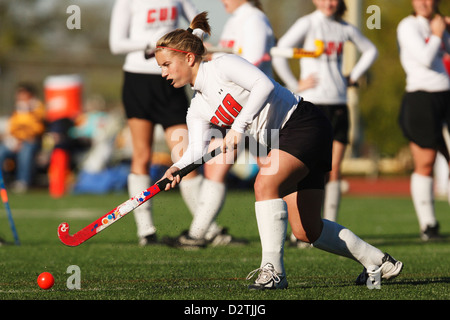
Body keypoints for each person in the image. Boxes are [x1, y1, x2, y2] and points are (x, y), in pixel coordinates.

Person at [155, 12, 403, 290]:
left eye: (166, 64)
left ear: (189, 58)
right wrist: (177, 168)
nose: (163, 72)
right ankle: (379, 262)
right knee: (307, 230)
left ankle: (273, 272)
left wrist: (238, 127)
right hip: (289, 138)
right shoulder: (197, 107)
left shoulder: (222, 65)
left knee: (265, 182)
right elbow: (196, 150)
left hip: (303, 123)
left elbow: (264, 85)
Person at [165, 0, 275, 248]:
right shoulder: (235, 21)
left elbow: (253, 63)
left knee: (274, 177)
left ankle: (302, 232)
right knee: (217, 168)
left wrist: (215, 60)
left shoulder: (254, 19)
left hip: (260, 110)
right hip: (228, 106)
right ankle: (198, 233)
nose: (222, 1)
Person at [272, 0, 378, 227]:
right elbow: (278, 52)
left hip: (339, 103)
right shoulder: (307, 23)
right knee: (306, 168)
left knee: (335, 169)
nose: (328, 2)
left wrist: (353, 75)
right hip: (313, 105)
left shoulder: (344, 28)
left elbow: (371, 50)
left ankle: (328, 226)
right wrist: (294, 84)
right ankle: (301, 226)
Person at [109, 0, 205, 245]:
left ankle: (204, 227)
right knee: (141, 155)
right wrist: (154, 45)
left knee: (185, 155)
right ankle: (146, 231)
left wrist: (188, 39)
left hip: (171, 80)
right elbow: (116, 43)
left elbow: (199, 26)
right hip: (138, 80)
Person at [397, 0, 450, 241]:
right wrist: (438, 34)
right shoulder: (408, 26)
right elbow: (426, 58)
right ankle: (428, 225)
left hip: (445, 94)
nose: (425, 2)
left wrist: (444, 31)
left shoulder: (439, 24)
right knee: (426, 160)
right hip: (421, 98)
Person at [0, 83, 46, 193]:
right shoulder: (17, 109)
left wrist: (23, 138)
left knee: (26, 151)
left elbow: (37, 128)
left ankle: (23, 181)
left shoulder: (37, 108)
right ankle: (3, 180)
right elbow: (13, 127)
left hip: (31, 141)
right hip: (16, 141)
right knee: (1, 151)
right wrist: (13, 140)